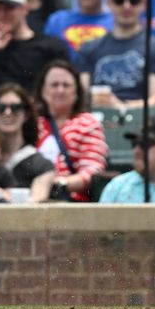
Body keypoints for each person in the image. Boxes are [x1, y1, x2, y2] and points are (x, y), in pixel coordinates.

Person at [78, 0, 155, 109]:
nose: (126, 6)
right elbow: (81, 97)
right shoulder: (89, 48)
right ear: (109, 3)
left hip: (140, 122)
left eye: (133, 1)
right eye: (119, 0)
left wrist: (120, 106)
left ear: (143, 4)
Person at [34, 59, 108, 202]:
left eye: (66, 85)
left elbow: (93, 170)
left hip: (67, 200)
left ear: (76, 92)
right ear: (43, 91)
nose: (60, 90)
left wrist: (59, 184)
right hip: (30, 197)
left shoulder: (87, 123)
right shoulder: (33, 122)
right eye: (54, 85)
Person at [0, 82, 54, 203]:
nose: (7, 112)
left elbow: (36, 200)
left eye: (15, 108)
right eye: (1, 108)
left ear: (26, 114)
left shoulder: (42, 165)